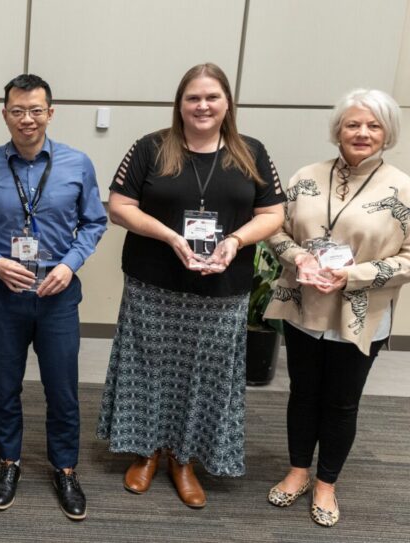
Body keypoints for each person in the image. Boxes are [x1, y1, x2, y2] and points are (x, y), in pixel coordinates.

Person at [97, 63, 284, 509]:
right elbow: (119, 207)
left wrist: (235, 240)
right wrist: (171, 237)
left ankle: (185, 461)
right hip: (155, 284)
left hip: (222, 290)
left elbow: (274, 214)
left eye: (212, 97)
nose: (202, 106)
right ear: (179, 104)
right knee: (150, 371)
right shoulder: (151, 147)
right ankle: (146, 452)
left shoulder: (251, 152)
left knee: (205, 377)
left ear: (227, 104)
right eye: (193, 98)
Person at [264, 89, 409, 527]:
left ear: (387, 133)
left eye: (373, 125)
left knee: (343, 402)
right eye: (353, 124)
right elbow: (276, 231)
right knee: (303, 393)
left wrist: (357, 274)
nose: (362, 133)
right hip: (304, 306)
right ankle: (298, 471)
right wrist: (299, 257)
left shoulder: (402, 188)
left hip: (362, 313)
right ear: (338, 131)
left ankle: (326, 483)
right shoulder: (306, 176)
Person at [0, 74, 106, 521]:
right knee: (4, 387)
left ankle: (64, 468)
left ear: (50, 112)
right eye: (17, 110)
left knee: (62, 389)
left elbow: (94, 222)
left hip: (58, 294)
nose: (26, 119)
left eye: (35, 110)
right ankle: (8, 463)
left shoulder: (77, 164)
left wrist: (69, 264)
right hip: (6, 295)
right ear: (4, 114)